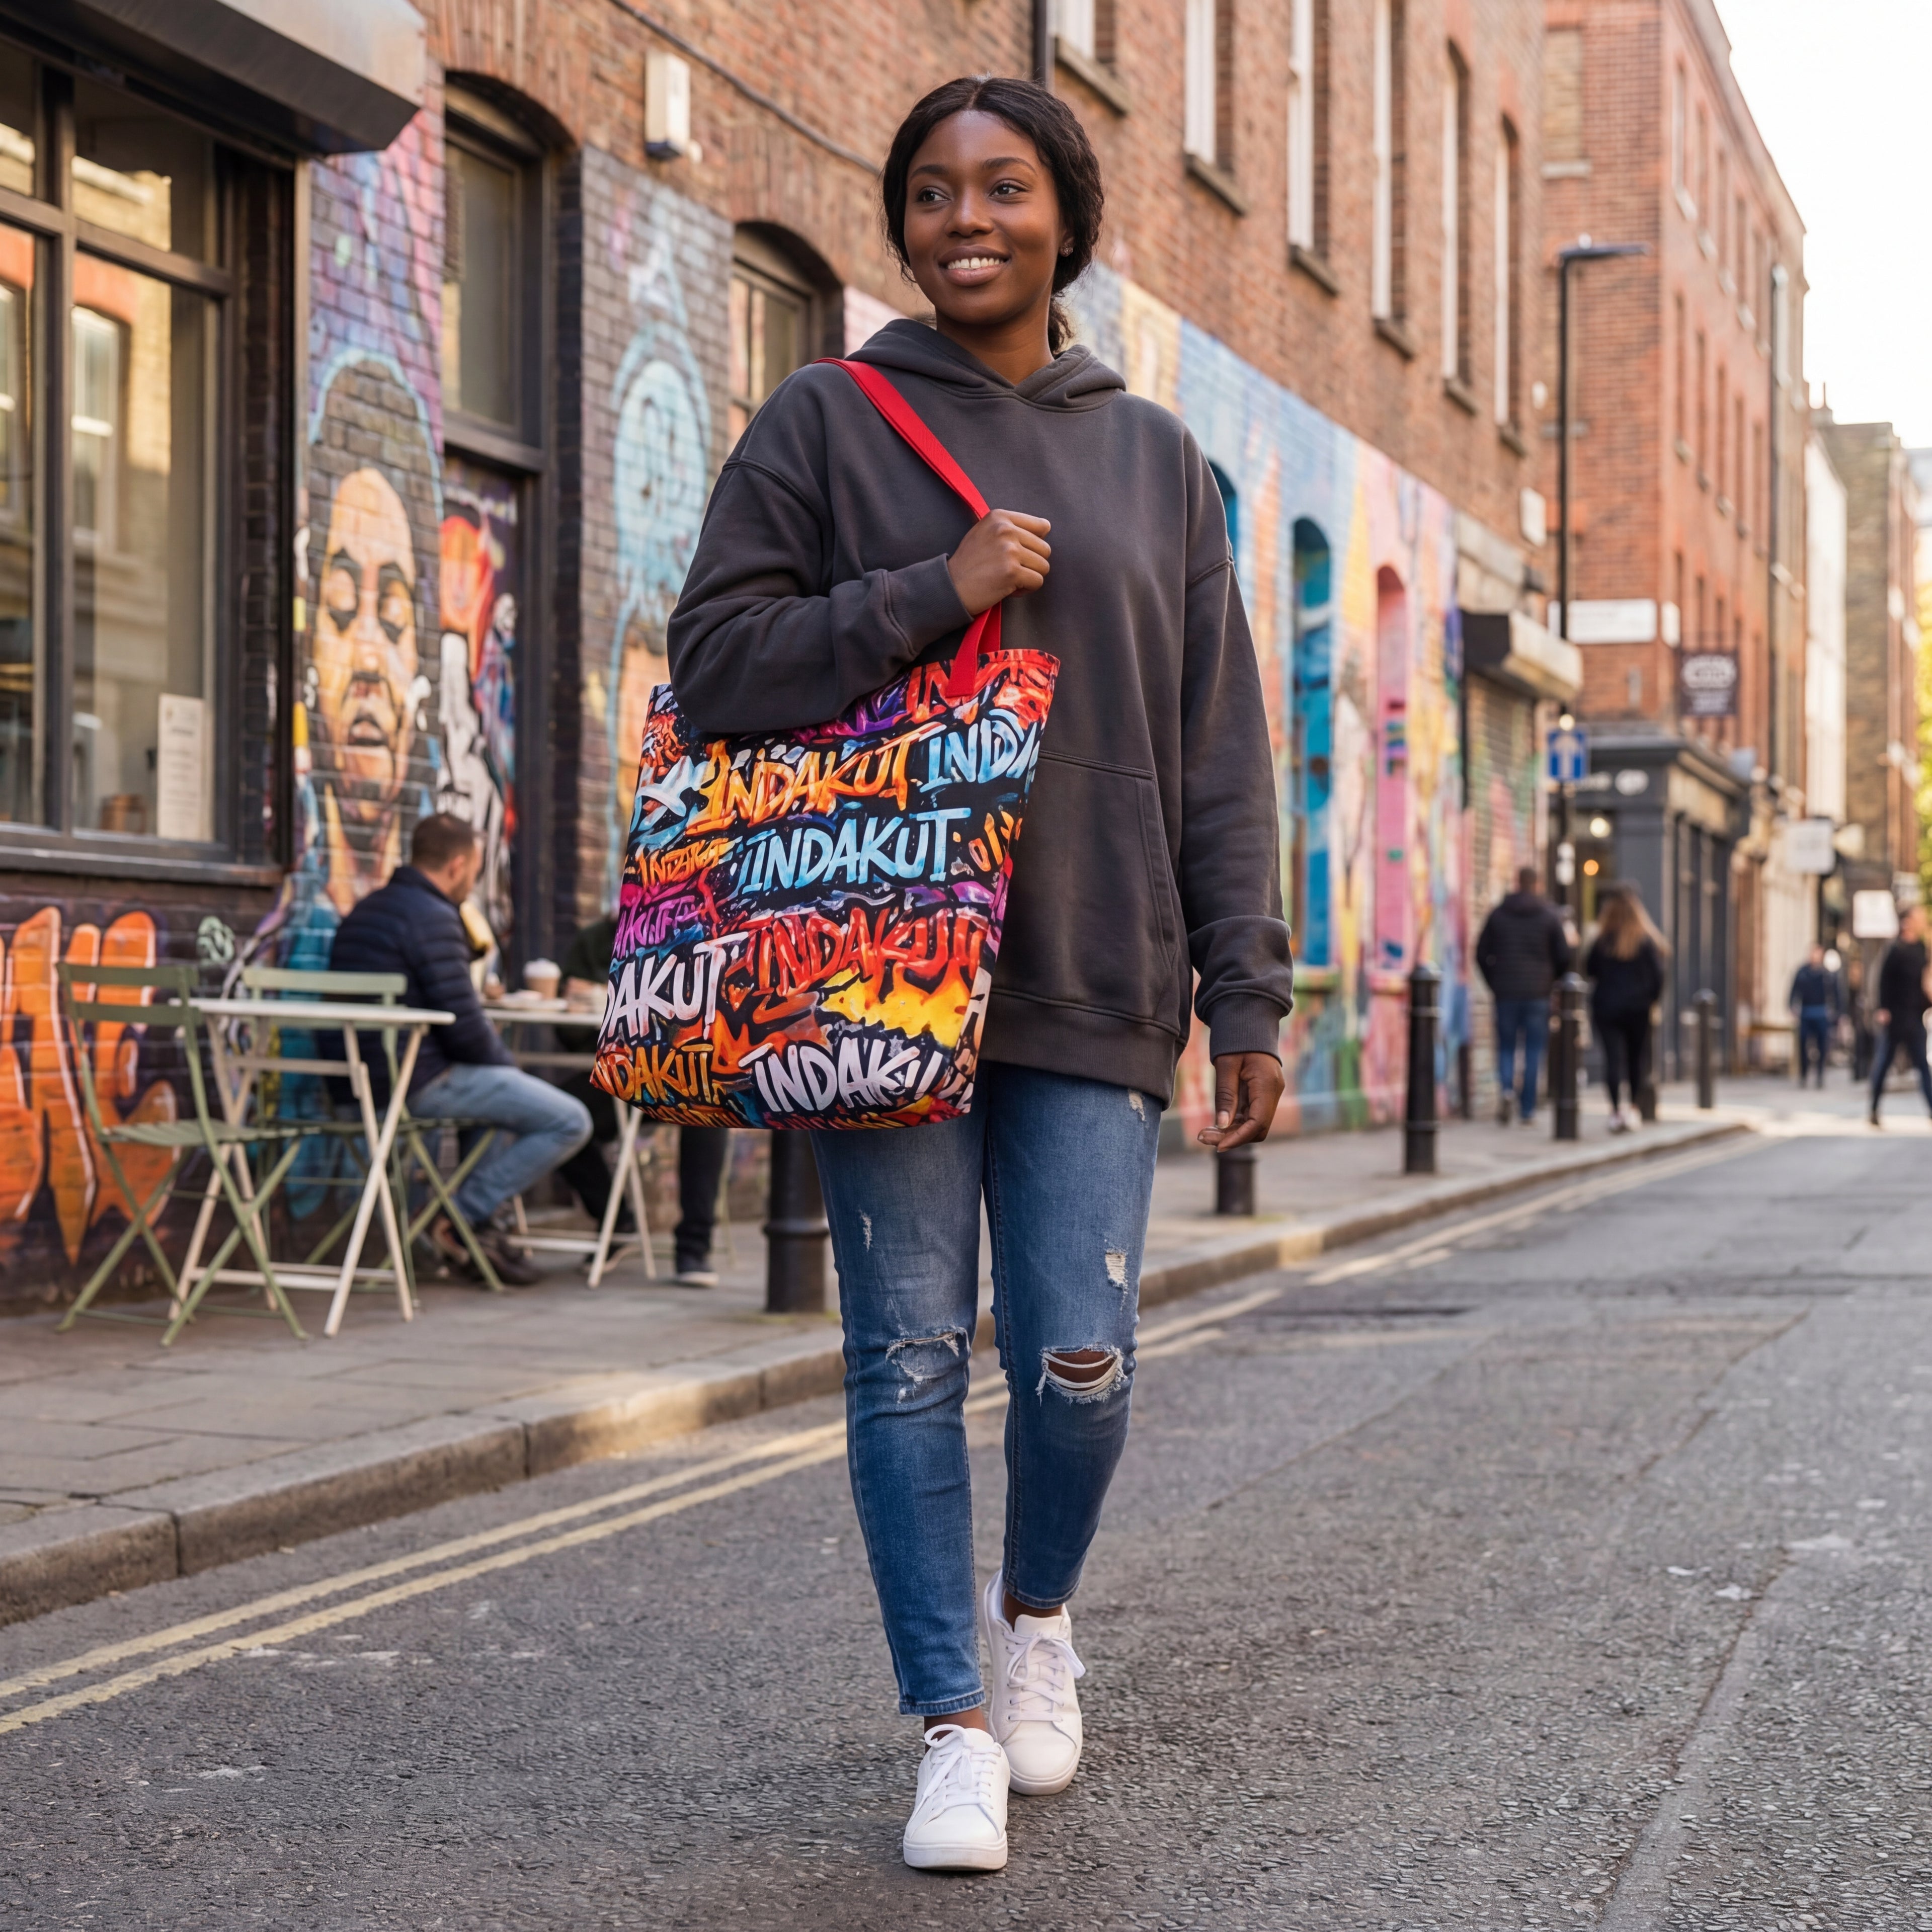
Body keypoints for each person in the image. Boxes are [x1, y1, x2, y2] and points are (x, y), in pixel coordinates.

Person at [665, 76, 1292, 1874]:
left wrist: (1242, 988)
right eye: (933, 191)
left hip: (1092, 960)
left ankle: (1037, 1621)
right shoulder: (826, 419)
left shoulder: (1156, 460)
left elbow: (1218, 747)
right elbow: (715, 661)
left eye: (1004, 188)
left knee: (1082, 1355)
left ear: (1065, 218)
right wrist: (926, 590)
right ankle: (949, 1722)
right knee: (907, 1355)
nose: (966, 219)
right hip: (879, 970)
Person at [329, 813, 592, 1284]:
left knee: (494, 1110)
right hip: (412, 1084)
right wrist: (509, 1071)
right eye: (474, 869)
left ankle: (475, 1231)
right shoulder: (433, 916)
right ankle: (458, 1216)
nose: (473, 881)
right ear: (456, 865)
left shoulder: (366, 910)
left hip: (356, 1083)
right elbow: (465, 1028)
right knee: (570, 1120)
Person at [556, 910, 731, 1285]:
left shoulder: (699, 932)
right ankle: (616, 1222)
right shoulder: (595, 940)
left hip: (682, 1069)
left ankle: (694, 1248)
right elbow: (568, 1033)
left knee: (709, 1105)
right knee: (555, 1113)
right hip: (618, 1073)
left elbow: (715, 1014)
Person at [1474, 865, 1571, 1124]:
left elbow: (1481, 953)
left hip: (1506, 992)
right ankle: (1527, 1110)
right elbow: (1564, 956)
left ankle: (1507, 1090)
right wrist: (1551, 980)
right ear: (1537, 884)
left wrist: (1494, 982)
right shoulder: (1549, 916)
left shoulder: (1498, 914)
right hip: (1538, 994)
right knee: (1533, 1051)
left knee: (1506, 1047)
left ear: (1517, 882)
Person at [1583, 883, 1666, 1133]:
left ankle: (1615, 1112)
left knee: (1612, 1059)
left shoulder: (1602, 941)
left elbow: (1589, 970)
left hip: (1607, 1008)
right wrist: (1651, 1000)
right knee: (1635, 1059)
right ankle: (1632, 1109)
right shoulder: (1646, 941)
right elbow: (1658, 977)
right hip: (1638, 1009)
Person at [1868, 905, 1932, 1126]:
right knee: (1883, 1064)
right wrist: (1882, 1009)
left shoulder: (1922, 948)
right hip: (1895, 1018)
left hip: (1914, 1016)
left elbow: (1925, 981)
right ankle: (1874, 1109)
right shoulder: (1894, 949)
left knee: (1923, 1066)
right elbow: (1882, 980)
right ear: (1907, 922)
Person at [1788, 942, 1837, 1088]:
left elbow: (1836, 994)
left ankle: (1820, 1075)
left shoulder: (1827, 974)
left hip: (1821, 1014)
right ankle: (1804, 1074)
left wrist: (1838, 1013)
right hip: (1806, 1013)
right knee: (1803, 1044)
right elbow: (1794, 990)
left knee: (1822, 1046)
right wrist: (1792, 1006)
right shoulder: (1802, 972)